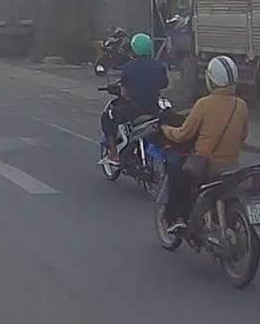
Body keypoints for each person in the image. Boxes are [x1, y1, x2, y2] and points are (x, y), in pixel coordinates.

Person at [160, 55, 248, 234]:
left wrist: (166, 129)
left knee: (177, 176)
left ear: (211, 79)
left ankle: (179, 219)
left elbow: (182, 135)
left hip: (206, 167)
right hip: (232, 166)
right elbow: (243, 136)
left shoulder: (203, 104)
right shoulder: (242, 106)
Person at [100, 32, 168, 166]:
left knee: (108, 116)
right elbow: (164, 84)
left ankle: (114, 155)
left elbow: (124, 93)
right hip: (155, 108)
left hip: (135, 109)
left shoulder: (128, 67)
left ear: (134, 48)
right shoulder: (159, 66)